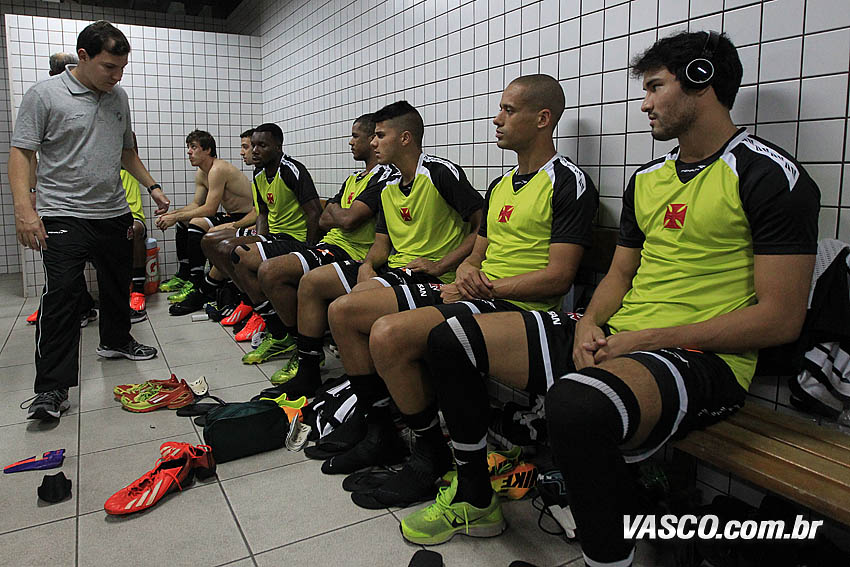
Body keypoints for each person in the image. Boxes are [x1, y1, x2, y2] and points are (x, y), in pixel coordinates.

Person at [397, 31, 821, 558]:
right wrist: (592, 323)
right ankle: (477, 500)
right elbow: (620, 276)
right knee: (450, 337)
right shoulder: (649, 178)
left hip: (706, 358)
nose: (643, 104)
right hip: (625, 338)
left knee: (574, 405)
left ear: (701, 82)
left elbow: (780, 319)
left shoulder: (769, 175)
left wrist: (645, 338)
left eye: (655, 87)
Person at [343, 74, 598, 505]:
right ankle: (423, 445)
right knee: (379, 328)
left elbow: (559, 277)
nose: (496, 119)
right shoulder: (500, 186)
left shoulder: (568, 182)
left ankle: (438, 457)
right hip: (481, 296)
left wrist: (483, 286)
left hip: (525, 309)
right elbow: (476, 254)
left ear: (543, 118)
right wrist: (464, 274)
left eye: (508, 110)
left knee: (391, 334)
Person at [257, 102, 483, 427]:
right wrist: (367, 265)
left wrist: (442, 263)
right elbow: (381, 244)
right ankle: (366, 403)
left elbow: (481, 225)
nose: (372, 143)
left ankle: (379, 413)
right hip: (399, 271)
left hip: (435, 277)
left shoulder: (438, 172)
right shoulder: (389, 186)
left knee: (345, 310)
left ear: (405, 138)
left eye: (380, 135)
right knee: (345, 305)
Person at [10, 21, 170, 421]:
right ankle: (52, 389)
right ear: (83, 57)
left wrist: (152, 188)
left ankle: (115, 341)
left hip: (112, 211)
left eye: (121, 69)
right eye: (109, 68)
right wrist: (24, 211)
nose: (117, 77)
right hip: (63, 212)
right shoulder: (44, 96)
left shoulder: (118, 98)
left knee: (118, 285)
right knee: (63, 296)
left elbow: (126, 151)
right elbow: (21, 154)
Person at [241, 114, 394, 368]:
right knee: (240, 257)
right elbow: (325, 219)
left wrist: (338, 215)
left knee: (271, 271)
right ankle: (284, 334)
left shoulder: (384, 177)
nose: (350, 142)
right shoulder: (353, 179)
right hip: (329, 244)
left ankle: (300, 347)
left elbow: (347, 220)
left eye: (356, 136)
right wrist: (338, 214)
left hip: (350, 252)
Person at [203, 123, 322, 338]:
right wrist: (259, 238)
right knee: (216, 246)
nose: (255, 150)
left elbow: (314, 212)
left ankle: (276, 327)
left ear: (278, 147)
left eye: (262, 145)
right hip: (273, 236)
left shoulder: (291, 170)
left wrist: (309, 250)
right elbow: (263, 214)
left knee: (234, 251)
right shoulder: (259, 174)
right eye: (253, 145)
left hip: (294, 239)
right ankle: (253, 303)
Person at [26, 51, 98, 328]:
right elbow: (27, 153)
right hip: (58, 199)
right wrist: (30, 195)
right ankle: (78, 306)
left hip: (87, 200)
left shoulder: (93, 100)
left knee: (69, 261)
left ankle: (82, 307)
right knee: (63, 261)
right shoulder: (44, 98)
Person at [156, 130, 255, 316]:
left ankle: (196, 280)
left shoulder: (218, 169)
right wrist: (173, 215)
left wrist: (175, 217)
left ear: (208, 150)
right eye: (188, 147)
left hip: (244, 216)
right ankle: (185, 273)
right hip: (230, 214)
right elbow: (196, 204)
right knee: (184, 222)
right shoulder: (202, 173)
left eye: (193, 147)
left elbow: (209, 209)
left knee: (195, 223)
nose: (189, 152)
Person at [123, 132, 150, 323]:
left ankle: (139, 289)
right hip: (109, 218)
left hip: (133, 217)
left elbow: (130, 140)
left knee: (134, 230)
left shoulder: (131, 168)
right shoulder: (101, 172)